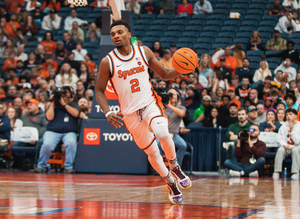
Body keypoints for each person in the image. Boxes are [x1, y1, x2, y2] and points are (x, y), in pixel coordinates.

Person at [95, 20, 191, 205]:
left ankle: (174, 165)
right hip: (130, 114)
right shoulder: (108, 62)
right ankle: (170, 182)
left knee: (163, 133)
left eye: (119, 32)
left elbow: (164, 73)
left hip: (149, 103)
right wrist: (107, 112)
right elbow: (99, 90)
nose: (115, 35)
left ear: (129, 34)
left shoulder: (143, 51)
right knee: (153, 153)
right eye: (113, 33)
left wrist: (182, 69)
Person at [35, 85, 79, 174]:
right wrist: (52, 102)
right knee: (47, 144)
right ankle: (41, 166)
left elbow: (76, 114)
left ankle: (68, 167)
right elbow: (49, 117)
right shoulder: (54, 105)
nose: (65, 94)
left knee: (71, 143)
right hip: (53, 131)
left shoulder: (74, 104)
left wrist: (64, 104)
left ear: (71, 94)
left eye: (67, 92)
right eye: (63, 92)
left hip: (69, 132)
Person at [12, 99, 47, 170]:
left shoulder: (43, 116)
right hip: (24, 138)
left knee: (41, 142)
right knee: (14, 145)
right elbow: (19, 127)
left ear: (36, 106)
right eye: (27, 105)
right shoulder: (24, 116)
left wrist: (35, 137)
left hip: (37, 138)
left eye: (31, 105)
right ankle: (25, 162)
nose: (28, 107)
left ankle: (35, 163)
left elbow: (45, 127)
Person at [157, 88, 187, 166]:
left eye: (173, 95)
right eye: (169, 94)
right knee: (157, 144)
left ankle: (176, 166)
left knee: (183, 146)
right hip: (162, 134)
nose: (171, 96)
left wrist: (169, 105)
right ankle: (160, 167)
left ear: (177, 97)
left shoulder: (181, 107)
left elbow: (181, 114)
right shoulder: (161, 107)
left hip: (174, 134)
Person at [273, 109, 300, 180]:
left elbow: (297, 142)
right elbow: (279, 139)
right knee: (280, 150)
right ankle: (277, 171)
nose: (288, 116)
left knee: (295, 150)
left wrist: (291, 130)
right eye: (287, 114)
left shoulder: (299, 126)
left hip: (297, 147)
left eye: (290, 114)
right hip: (287, 147)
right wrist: (284, 145)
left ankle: (295, 172)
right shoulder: (283, 126)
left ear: (295, 116)